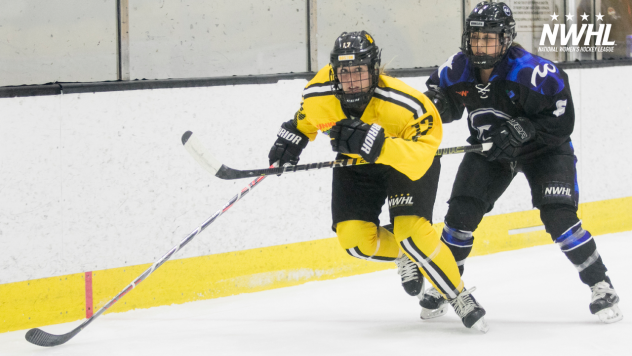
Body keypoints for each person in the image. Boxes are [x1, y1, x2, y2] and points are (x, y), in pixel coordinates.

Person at [267, 30, 489, 332]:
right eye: (345, 72)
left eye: (359, 70)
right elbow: (307, 118)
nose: (352, 80)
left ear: (374, 70)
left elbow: (425, 153)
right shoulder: (318, 93)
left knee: (411, 232)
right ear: (335, 72)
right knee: (355, 242)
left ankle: (458, 295)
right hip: (357, 165)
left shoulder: (407, 103)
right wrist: (293, 137)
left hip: (405, 161)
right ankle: (405, 254)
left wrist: (381, 146)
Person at [419, 1, 622, 324]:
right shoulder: (456, 68)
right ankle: (445, 285)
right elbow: (438, 100)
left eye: (489, 38)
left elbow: (561, 122)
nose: (480, 45)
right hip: (491, 150)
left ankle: (601, 284)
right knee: (459, 216)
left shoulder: (532, 72)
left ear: (506, 38)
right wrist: (436, 107)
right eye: (475, 37)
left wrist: (527, 127)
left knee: (559, 217)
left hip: (544, 150)